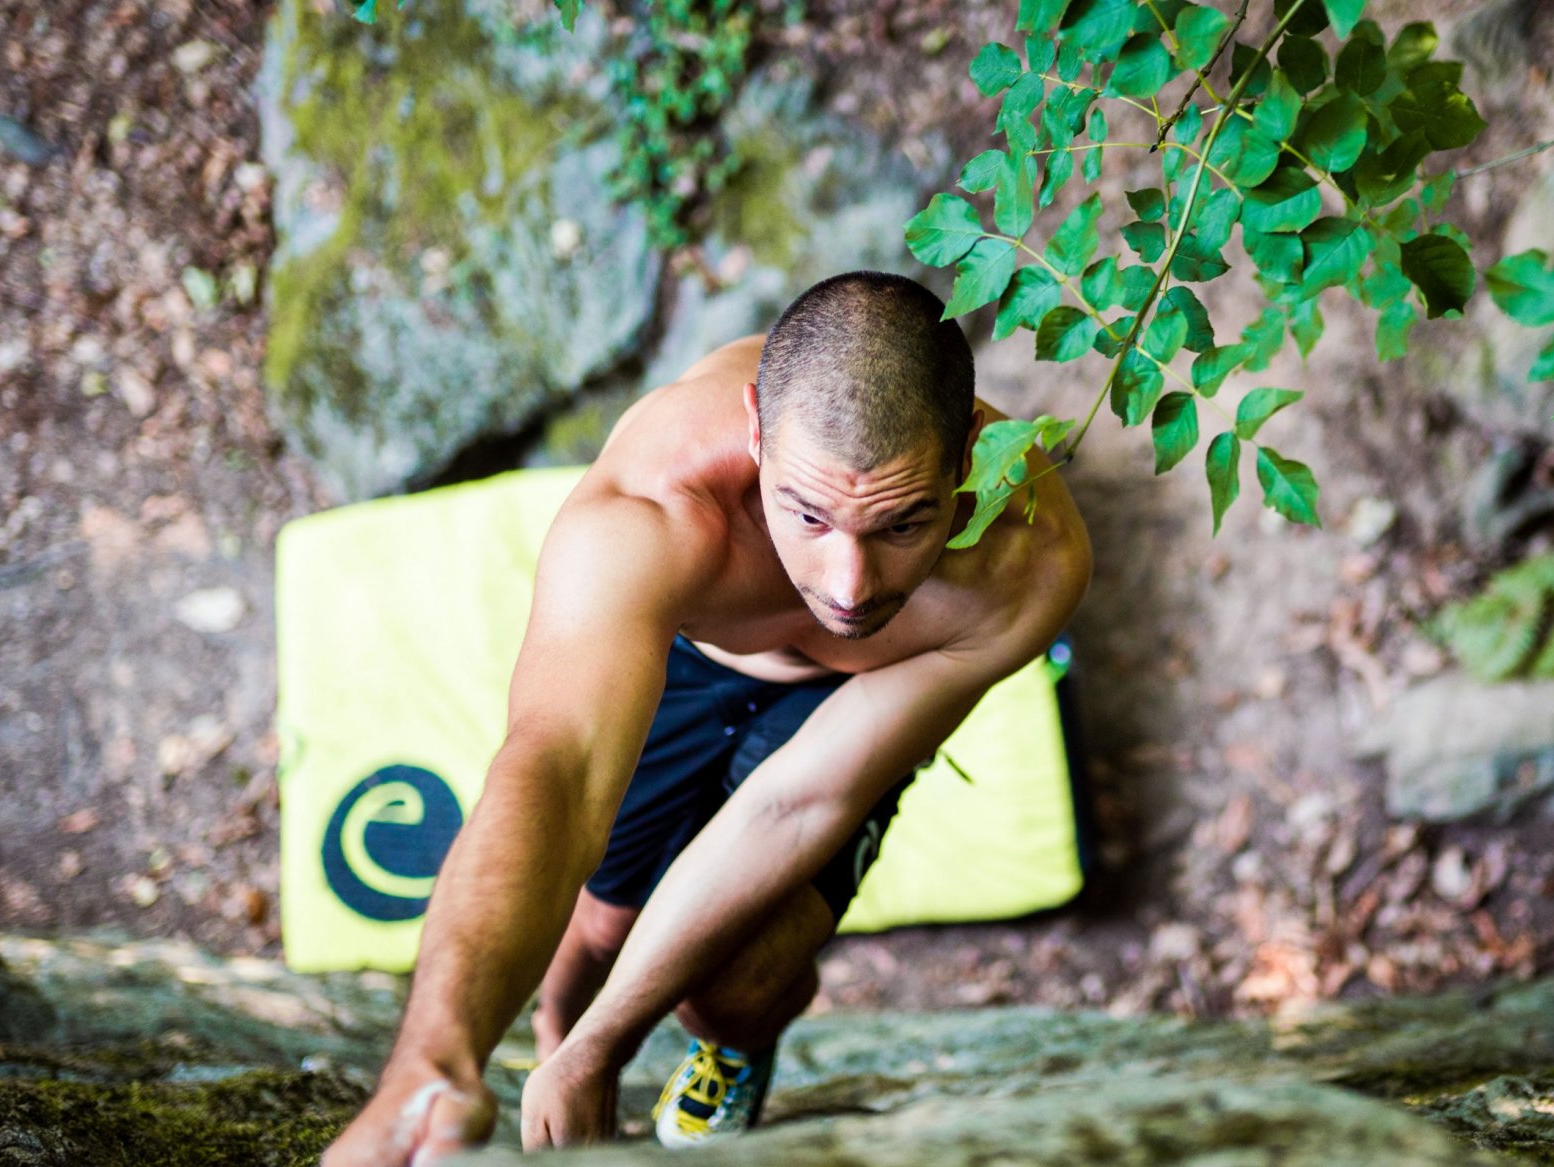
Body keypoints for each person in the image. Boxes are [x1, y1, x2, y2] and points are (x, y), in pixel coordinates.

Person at [319, 270, 1092, 1164]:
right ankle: (545, 1023)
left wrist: (604, 1047)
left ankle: (734, 1044)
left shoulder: (1031, 563)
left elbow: (798, 801)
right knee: (600, 915)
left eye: (902, 525)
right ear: (757, 431)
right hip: (696, 657)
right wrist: (435, 1061)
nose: (848, 585)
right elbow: (557, 767)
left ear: (966, 456)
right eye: (806, 514)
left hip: (852, 705)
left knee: (730, 983)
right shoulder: (658, 499)